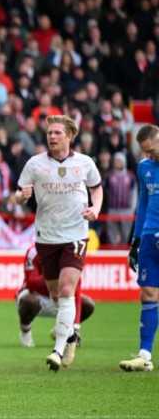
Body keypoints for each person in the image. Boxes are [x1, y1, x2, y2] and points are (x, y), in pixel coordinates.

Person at [16, 115, 102, 371]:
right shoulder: (34, 164)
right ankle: (69, 334)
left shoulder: (85, 163)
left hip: (75, 235)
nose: (52, 137)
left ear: (69, 136)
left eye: (57, 133)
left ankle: (59, 348)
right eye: (49, 133)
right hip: (46, 237)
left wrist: (95, 208)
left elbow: (96, 188)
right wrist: (22, 196)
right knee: (55, 295)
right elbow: (19, 195)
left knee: (67, 290)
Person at [120, 124, 159, 372]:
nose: (149, 156)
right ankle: (145, 355)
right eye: (145, 152)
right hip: (148, 237)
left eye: (152, 150)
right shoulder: (144, 167)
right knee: (147, 293)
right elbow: (143, 205)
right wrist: (135, 241)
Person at [17, 245, 95, 350]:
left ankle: (62, 329)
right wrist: (54, 278)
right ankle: (25, 330)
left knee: (88, 304)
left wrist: (76, 327)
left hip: (61, 298)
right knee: (29, 301)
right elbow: (31, 282)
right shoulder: (34, 250)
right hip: (38, 296)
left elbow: (76, 288)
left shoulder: (71, 252)